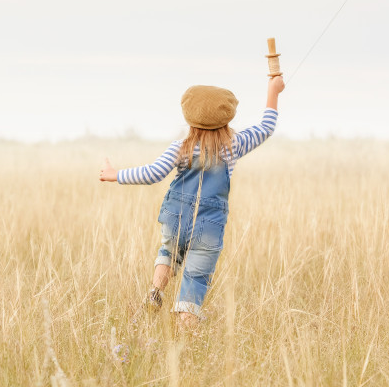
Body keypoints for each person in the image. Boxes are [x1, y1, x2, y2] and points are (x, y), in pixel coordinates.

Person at [99, 75, 285, 326]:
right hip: (209, 226)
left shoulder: (181, 147)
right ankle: (186, 325)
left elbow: (152, 173)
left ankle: (156, 292)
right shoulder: (234, 145)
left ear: (190, 117)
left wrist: (115, 175)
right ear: (227, 117)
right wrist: (273, 91)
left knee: (168, 251)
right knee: (195, 279)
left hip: (175, 218)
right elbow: (266, 127)